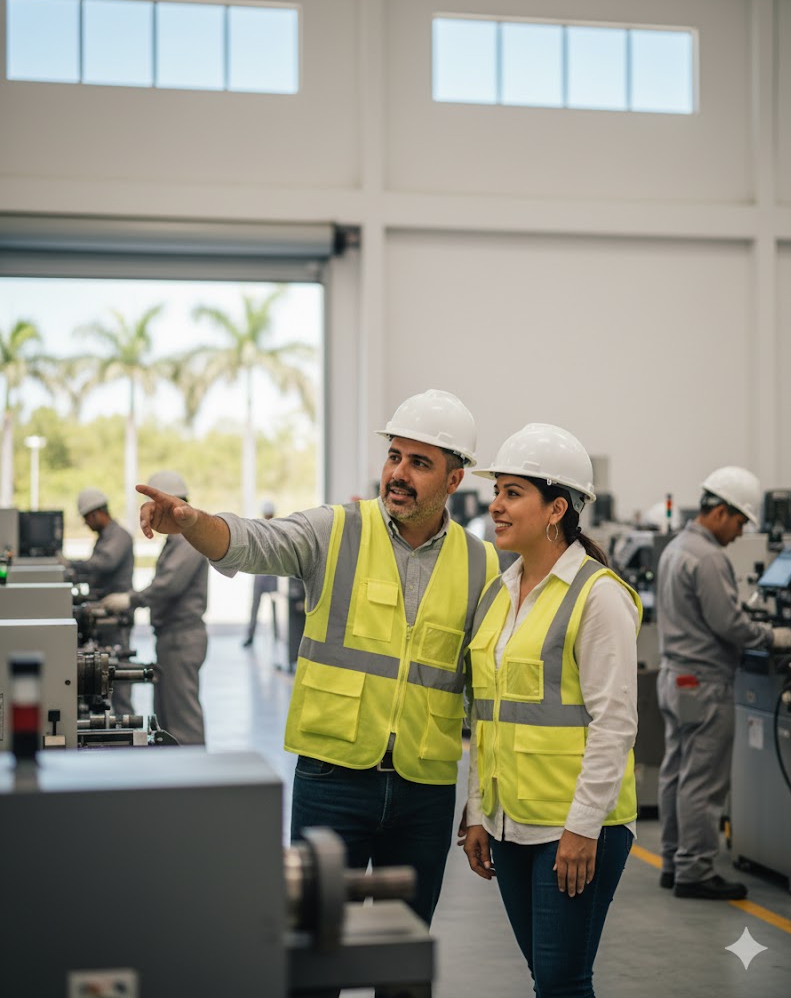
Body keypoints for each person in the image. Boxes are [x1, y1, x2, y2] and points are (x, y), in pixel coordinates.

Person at [134, 388, 499, 927]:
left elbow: (485, 697)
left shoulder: (481, 563)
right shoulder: (337, 530)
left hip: (424, 792)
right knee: (316, 950)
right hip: (333, 782)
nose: (399, 472)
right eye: (394, 456)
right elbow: (252, 542)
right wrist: (192, 523)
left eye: (420, 463)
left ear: (453, 480)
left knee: (404, 952)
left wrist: (479, 804)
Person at [461, 423, 641, 998]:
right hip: (510, 823)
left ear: (556, 508)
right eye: (498, 492)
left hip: (576, 829)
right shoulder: (498, 592)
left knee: (562, 982)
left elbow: (615, 724)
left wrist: (583, 827)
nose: (497, 506)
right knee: (548, 978)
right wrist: (477, 813)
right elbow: (485, 717)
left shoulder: (598, 596)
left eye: (513, 493)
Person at [655, 465, 791, 900]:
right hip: (705, 683)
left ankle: (674, 859)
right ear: (720, 512)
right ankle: (695, 871)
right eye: (738, 522)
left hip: (676, 678)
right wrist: (775, 636)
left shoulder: (677, 547)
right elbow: (729, 624)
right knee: (704, 779)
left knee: (678, 771)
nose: (738, 533)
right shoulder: (709, 557)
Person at [104, 471, 209, 746]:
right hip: (171, 637)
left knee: (182, 721)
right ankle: (176, 780)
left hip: (182, 637)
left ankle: (196, 782)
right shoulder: (177, 538)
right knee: (167, 720)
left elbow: (169, 584)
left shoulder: (188, 537)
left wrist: (132, 600)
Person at [67, 487, 135, 718]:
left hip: (115, 618)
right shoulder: (105, 537)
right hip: (102, 617)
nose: (86, 524)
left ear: (96, 514)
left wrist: (71, 565)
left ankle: (128, 726)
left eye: (86, 518)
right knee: (101, 677)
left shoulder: (119, 536)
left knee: (119, 679)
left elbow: (103, 563)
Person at [242, 499, 279, 648]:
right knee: (255, 608)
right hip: (261, 576)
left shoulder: (277, 530)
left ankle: (277, 636)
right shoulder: (259, 529)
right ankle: (250, 636)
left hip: (272, 576)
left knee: (275, 608)